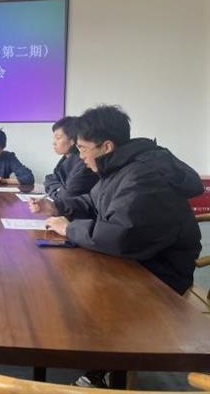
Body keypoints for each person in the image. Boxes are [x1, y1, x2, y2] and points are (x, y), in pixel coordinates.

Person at [29, 105, 203, 388]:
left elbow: (122, 235)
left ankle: (106, 368)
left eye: (83, 149)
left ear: (106, 146)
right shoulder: (120, 167)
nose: (80, 156)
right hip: (134, 263)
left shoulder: (143, 175)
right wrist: (57, 206)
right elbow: (93, 201)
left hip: (158, 275)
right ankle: (98, 364)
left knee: (76, 293)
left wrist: (69, 228)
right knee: (63, 281)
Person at [43, 116, 98, 200]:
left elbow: (65, 196)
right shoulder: (65, 160)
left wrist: (55, 190)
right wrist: (58, 189)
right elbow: (49, 179)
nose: (54, 143)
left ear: (73, 140)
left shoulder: (85, 163)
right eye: (54, 138)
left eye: (58, 138)